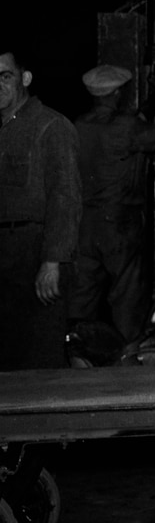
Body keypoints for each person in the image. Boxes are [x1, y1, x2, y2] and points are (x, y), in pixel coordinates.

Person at [72, 64, 155, 342]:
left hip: (84, 226)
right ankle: (127, 362)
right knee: (127, 300)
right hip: (118, 227)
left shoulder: (78, 126)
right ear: (118, 93)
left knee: (81, 300)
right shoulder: (126, 127)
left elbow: (121, 130)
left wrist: (146, 109)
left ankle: (76, 358)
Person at [0, 46, 81, 370]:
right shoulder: (4, 129)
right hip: (6, 255)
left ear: (25, 78)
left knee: (39, 358)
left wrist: (52, 262)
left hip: (33, 254)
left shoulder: (51, 127)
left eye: (5, 76)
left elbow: (66, 197)